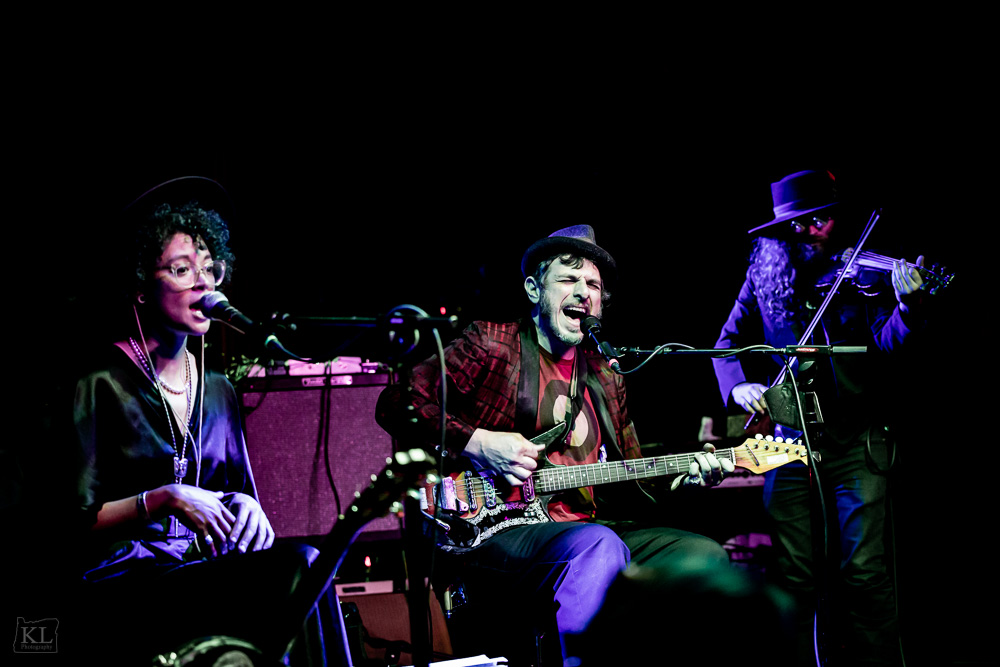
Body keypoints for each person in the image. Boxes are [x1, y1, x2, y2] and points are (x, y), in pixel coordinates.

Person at [376, 225, 734, 666]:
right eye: (569, 279)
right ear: (533, 289)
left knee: (702, 555)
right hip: (495, 532)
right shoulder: (493, 344)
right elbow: (397, 403)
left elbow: (632, 475)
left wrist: (684, 480)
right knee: (597, 544)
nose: (584, 292)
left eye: (594, 285)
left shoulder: (607, 375)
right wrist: (479, 442)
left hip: (589, 530)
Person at [63, 177, 350, 666]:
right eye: (180, 269)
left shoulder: (216, 387)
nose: (203, 283)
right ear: (139, 286)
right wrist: (165, 498)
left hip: (199, 570)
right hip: (124, 583)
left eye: (209, 270)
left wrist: (246, 509)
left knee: (309, 566)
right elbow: (72, 522)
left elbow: (239, 494)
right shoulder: (98, 382)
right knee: (294, 570)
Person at [711, 169, 928, 666]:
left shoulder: (860, 274)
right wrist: (738, 385)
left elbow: (885, 346)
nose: (813, 230)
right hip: (789, 443)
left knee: (865, 571)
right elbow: (725, 344)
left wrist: (910, 309)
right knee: (793, 572)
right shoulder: (764, 273)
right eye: (802, 223)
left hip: (857, 443)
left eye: (823, 220)